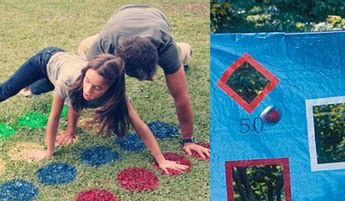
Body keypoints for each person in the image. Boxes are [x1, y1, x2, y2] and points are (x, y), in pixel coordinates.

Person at [0, 47, 188, 173]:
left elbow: (141, 128)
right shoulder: (72, 81)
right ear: (85, 73)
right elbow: (55, 117)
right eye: (88, 81)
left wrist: (161, 158)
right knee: (4, 91)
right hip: (47, 60)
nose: (90, 90)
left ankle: (32, 88)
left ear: (111, 88)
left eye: (98, 88)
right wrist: (48, 151)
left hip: (60, 74)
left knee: (47, 89)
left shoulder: (118, 97)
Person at [24, 5, 210, 160]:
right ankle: (38, 84)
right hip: (120, 19)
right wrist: (70, 130)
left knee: (179, 55)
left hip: (155, 18)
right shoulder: (105, 44)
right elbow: (78, 89)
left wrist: (188, 140)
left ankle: (185, 51)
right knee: (85, 59)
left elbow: (181, 97)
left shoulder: (166, 47)